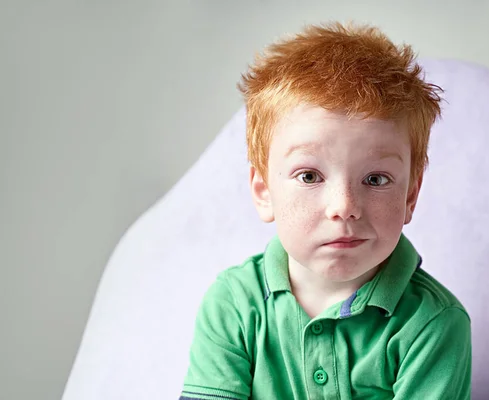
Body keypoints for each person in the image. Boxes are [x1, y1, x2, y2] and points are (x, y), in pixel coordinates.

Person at [180, 21, 471, 400]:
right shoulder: (233, 304)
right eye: (309, 175)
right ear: (264, 191)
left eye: (376, 179)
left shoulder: (433, 323)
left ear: (410, 198)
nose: (344, 208)